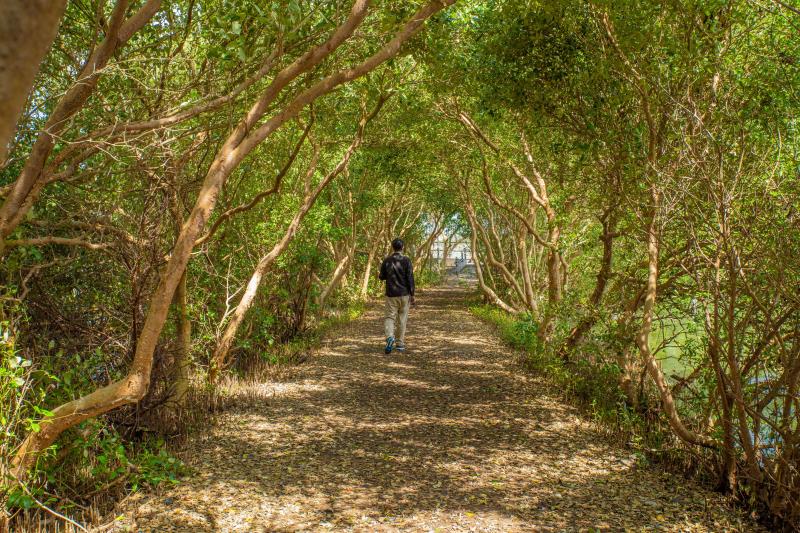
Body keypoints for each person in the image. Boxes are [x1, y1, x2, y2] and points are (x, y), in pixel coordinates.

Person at [379, 238, 415, 354]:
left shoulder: (387, 261)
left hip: (391, 294)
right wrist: (412, 293)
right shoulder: (407, 260)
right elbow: (410, 278)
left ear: (392, 247)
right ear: (402, 247)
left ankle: (390, 337)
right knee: (402, 319)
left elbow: (382, 277)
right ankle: (400, 344)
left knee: (390, 317)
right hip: (404, 294)